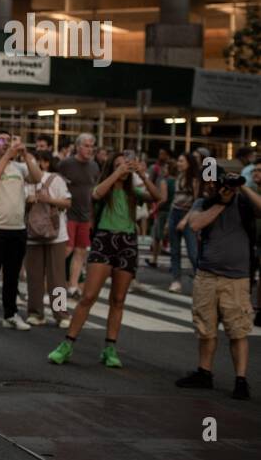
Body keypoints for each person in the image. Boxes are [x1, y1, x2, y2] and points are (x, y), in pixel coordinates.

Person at [48, 150, 162, 368]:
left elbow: (158, 198)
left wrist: (144, 176)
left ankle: (110, 347)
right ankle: (67, 344)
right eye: (118, 165)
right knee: (88, 296)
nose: (123, 169)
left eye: (126, 166)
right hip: (104, 240)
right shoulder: (105, 188)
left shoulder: (133, 192)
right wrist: (116, 172)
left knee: (118, 299)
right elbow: (97, 194)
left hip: (127, 242)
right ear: (111, 167)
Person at [176, 172, 258, 400]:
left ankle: (241, 380)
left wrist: (241, 188)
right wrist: (221, 203)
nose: (214, 186)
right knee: (205, 327)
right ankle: (204, 372)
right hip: (207, 276)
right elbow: (195, 224)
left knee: (238, 330)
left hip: (237, 278)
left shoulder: (244, 203)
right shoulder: (204, 203)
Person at [0, 131, 42, 330]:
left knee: (12, 275)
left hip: (17, 228)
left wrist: (25, 154)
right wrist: (7, 156)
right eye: (1, 140)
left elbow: (37, 177)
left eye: (9, 140)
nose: (6, 144)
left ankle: (10, 313)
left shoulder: (20, 167)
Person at [25, 153, 72, 327]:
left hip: (56, 235)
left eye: (31, 161)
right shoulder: (23, 179)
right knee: (34, 277)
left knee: (57, 277)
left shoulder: (55, 179)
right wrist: (27, 201)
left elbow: (67, 203)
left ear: (43, 163)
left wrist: (48, 200)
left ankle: (61, 314)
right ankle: (36, 313)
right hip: (32, 234)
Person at [56, 132, 99, 297]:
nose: (90, 149)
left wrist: (92, 216)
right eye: (86, 146)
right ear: (78, 147)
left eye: (92, 146)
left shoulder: (94, 166)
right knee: (67, 249)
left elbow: (93, 190)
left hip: (85, 215)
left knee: (81, 251)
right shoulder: (66, 164)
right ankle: (54, 283)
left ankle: (73, 286)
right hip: (68, 213)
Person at [167, 152, 200, 293]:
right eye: (179, 161)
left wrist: (185, 219)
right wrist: (168, 221)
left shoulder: (194, 180)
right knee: (174, 251)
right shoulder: (178, 177)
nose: (179, 164)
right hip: (175, 213)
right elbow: (174, 201)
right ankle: (176, 281)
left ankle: (201, 281)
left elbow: (197, 202)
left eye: (181, 161)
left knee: (193, 252)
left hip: (188, 215)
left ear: (189, 163)